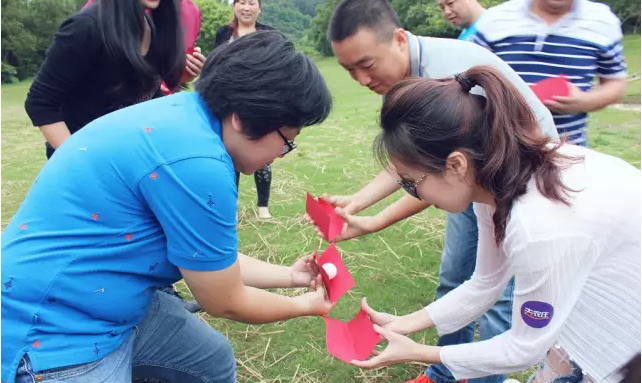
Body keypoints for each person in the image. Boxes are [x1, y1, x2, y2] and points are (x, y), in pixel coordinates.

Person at [2, 31, 333, 383]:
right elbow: (225, 299)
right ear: (243, 117)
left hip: (116, 302)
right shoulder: (198, 162)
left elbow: (208, 260)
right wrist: (303, 306)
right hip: (57, 329)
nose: (281, 155)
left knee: (212, 361)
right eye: (286, 142)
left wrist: (291, 277)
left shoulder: (189, 115)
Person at [309, 1, 558, 382]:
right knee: (460, 275)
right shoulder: (454, 168)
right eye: (348, 70)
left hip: (521, 180)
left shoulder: (445, 78)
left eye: (367, 65)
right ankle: (445, 374)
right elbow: (419, 167)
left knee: (499, 298)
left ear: (398, 39)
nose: (361, 79)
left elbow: (430, 175)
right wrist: (361, 202)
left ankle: (480, 378)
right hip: (485, 176)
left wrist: (376, 221)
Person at [349, 65, 641, 383]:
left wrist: (419, 352)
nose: (413, 194)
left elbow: (522, 350)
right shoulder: (497, 183)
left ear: (455, 165)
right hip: (596, 320)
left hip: (624, 344)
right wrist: (404, 323)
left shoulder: (538, 227)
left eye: (410, 183)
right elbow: (486, 283)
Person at [24, 0, 205, 160]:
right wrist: (80, 160)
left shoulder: (152, 28)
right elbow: (40, 102)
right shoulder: (85, 28)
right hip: (82, 166)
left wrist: (181, 80)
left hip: (123, 159)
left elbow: (144, 96)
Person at [471, 0, 627, 147]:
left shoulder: (603, 21)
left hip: (568, 153)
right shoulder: (495, 20)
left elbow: (616, 82)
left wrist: (584, 101)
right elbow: (464, 74)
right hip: (499, 151)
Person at [213, 0, 276, 220]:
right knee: (231, 155)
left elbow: (276, 67)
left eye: (252, 3)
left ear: (260, 8)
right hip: (230, 103)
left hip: (261, 101)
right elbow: (216, 64)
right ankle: (232, 206)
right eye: (241, 2)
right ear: (234, 7)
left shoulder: (269, 34)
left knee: (263, 153)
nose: (246, 7)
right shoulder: (224, 33)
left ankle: (263, 207)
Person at [82, 0, 204, 95]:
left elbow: (172, 75)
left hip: (155, 110)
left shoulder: (193, 12)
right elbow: (80, 49)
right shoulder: (105, 7)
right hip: (105, 104)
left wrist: (184, 73)